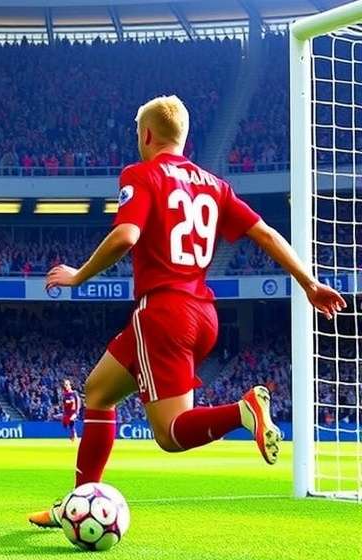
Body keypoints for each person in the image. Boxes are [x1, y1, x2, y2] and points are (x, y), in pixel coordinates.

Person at [28, 96, 346, 527]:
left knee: (170, 435)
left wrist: (78, 275)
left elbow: (125, 236)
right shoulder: (215, 185)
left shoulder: (140, 174)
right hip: (203, 313)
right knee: (98, 390)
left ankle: (242, 411)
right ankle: (76, 502)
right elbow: (267, 234)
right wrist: (308, 282)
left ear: (145, 135)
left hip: (163, 313)